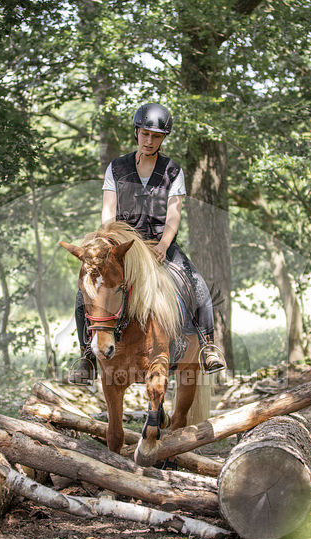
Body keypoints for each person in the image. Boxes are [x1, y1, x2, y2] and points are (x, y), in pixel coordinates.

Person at [69, 103, 225, 383]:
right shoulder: (116, 168)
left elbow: (174, 214)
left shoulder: (172, 171)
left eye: (155, 136)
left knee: (198, 284)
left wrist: (164, 245)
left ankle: (207, 344)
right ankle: (86, 355)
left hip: (157, 244)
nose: (149, 140)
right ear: (136, 132)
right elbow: (108, 213)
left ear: (162, 138)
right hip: (123, 247)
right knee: (85, 291)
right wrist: (108, 245)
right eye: (145, 134)